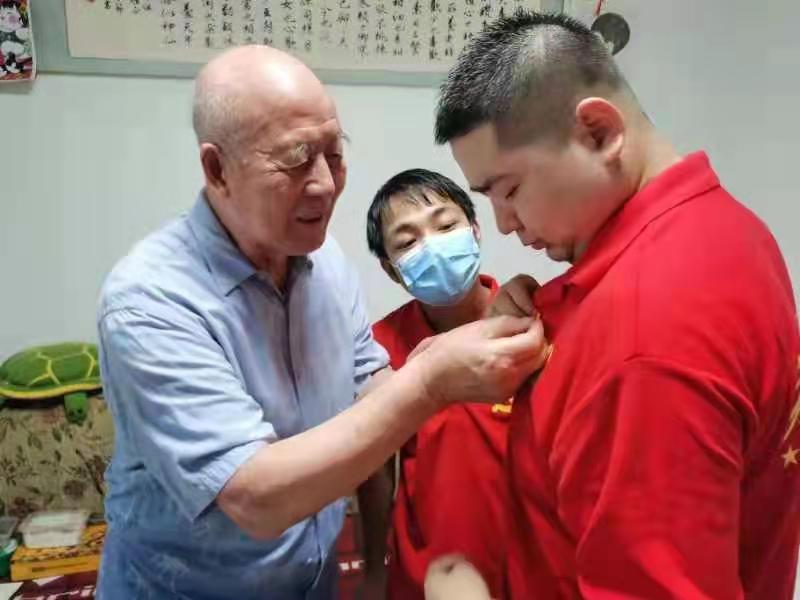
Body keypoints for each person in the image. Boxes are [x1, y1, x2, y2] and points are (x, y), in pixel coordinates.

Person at [95, 45, 548, 599]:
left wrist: (467, 340)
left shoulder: (324, 261)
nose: (326, 185)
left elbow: (369, 385)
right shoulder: (149, 301)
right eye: (295, 159)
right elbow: (254, 498)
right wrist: (431, 381)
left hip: (314, 583)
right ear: (217, 169)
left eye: (334, 154)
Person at [433, 10, 800, 600]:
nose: (504, 224)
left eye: (510, 190)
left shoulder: (642, 334)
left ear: (599, 132)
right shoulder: (727, 227)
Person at [358, 169, 510, 600]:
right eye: (407, 242)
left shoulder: (530, 326)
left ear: (475, 231)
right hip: (426, 579)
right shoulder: (379, 349)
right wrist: (374, 570)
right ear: (391, 270)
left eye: (445, 226)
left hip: (533, 573)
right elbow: (374, 472)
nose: (433, 246)